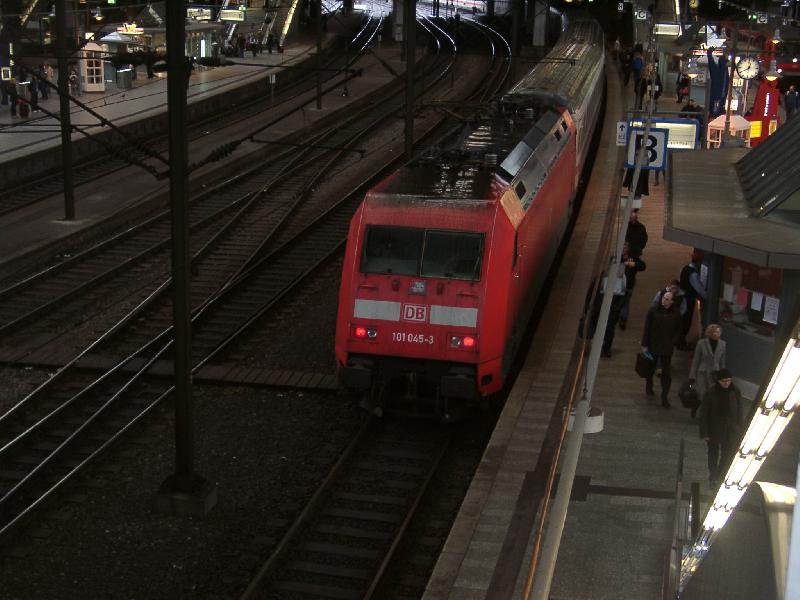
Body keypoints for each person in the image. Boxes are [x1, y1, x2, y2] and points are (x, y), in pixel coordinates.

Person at [698, 369, 742, 486]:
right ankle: (713, 476)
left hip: (730, 429)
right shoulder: (711, 392)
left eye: (728, 380)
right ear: (718, 381)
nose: (726, 383)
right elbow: (704, 414)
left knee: (726, 454)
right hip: (714, 429)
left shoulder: (735, 391)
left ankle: (719, 475)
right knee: (713, 454)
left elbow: (740, 411)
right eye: (724, 381)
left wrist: (739, 428)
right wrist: (704, 432)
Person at [641, 290, 682, 408]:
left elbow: (679, 329)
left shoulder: (676, 314)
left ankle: (664, 397)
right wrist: (644, 344)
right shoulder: (653, 311)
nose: (664, 300)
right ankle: (649, 385)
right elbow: (647, 328)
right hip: (653, 345)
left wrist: (673, 341)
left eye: (667, 299)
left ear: (672, 301)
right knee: (650, 367)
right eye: (664, 298)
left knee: (666, 372)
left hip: (666, 347)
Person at [689, 323, 726, 417]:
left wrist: (723, 375)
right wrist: (692, 375)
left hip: (715, 373)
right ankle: (695, 409)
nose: (717, 334)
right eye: (715, 332)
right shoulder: (701, 343)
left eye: (719, 332)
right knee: (701, 393)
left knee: (711, 395)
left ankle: (706, 414)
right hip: (702, 371)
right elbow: (696, 360)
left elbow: (722, 361)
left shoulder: (722, 344)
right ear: (709, 333)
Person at [679, 249, 707, 349]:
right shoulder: (693, 274)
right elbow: (699, 289)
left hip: (682, 297)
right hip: (688, 299)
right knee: (686, 320)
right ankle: (681, 343)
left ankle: (679, 341)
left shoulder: (685, 268)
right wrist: (707, 297)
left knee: (683, 319)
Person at [618, 242, 646, 331]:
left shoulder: (632, 258)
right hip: (617, 285)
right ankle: (618, 316)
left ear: (628, 249)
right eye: (622, 248)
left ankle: (623, 319)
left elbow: (642, 266)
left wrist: (631, 264)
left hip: (628, 285)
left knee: (625, 303)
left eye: (625, 248)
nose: (623, 249)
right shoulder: (617, 257)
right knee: (618, 302)